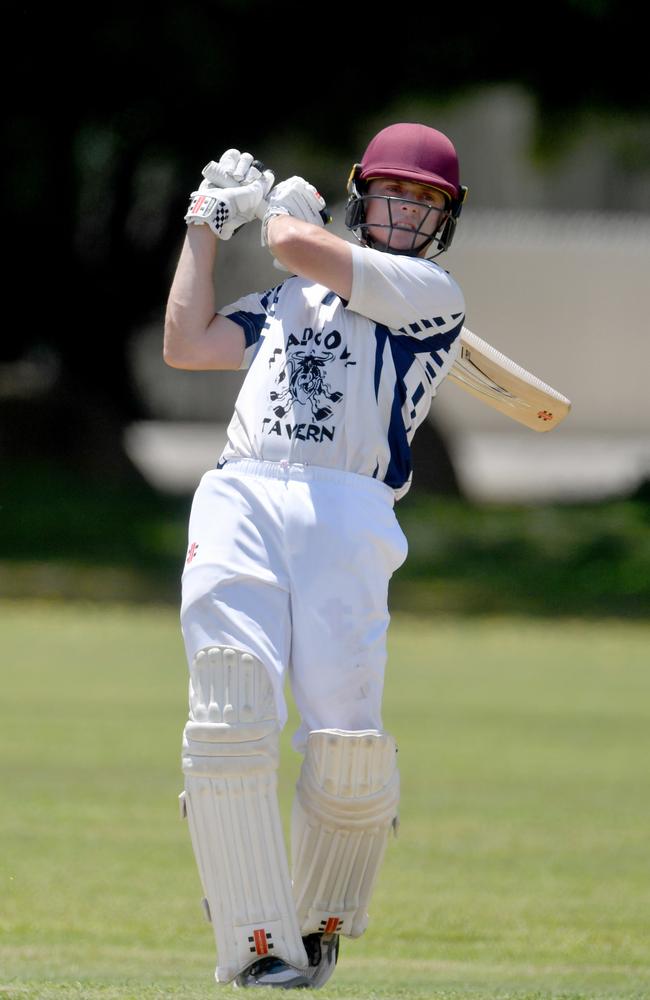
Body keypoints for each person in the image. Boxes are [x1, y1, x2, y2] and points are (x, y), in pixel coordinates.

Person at [164, 122, 468, 989]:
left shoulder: (430, 294)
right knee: (230, 705)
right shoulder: (285, 302)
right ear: (363, 193)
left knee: (347, 748)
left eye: (425, 201)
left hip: (349, 509)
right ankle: (254, 938)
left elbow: (297, 241)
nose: (405, 212)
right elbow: (186, 344)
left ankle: (317, 914)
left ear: (443, 221)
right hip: (244, 492)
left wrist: (289, 220)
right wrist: (204, 224)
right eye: (393, 193)